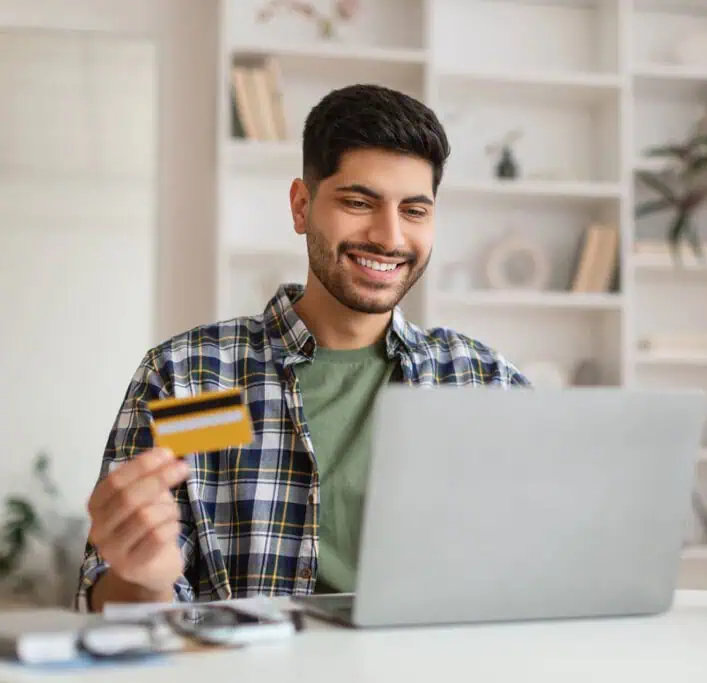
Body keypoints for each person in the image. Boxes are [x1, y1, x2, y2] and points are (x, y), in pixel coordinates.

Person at [75, 84, 530, 613]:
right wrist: (145, 582)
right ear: (301, 206)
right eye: (359, 202)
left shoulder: (482, 382)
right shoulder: (194, 379)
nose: (389, 236)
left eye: (414, 210)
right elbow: (110, 595)